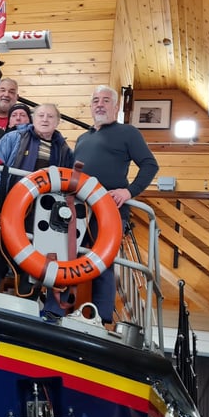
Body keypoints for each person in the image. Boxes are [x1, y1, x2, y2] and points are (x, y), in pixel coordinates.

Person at [72, 85, 159, 324]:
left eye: (106, 100)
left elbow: (150, 165)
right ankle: (64, 308)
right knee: (70, 256)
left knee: (103, 262)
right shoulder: (82, 138)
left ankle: (102, 317)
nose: (100, 104)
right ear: (90, 106)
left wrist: (128, 191)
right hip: (79, 208)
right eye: (95, 100)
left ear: (116, 107)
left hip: (110, 209)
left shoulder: (128, 132)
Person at [0, 103, 74, 294]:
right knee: (0, 251)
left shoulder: (64, 150)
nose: (45, 119)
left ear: (58, 122)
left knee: (35, 256)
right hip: (11, 204)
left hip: (42, 212)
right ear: (33, 119)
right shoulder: (13, 138)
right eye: (41, 115)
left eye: (50, 116)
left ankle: (27, 300)